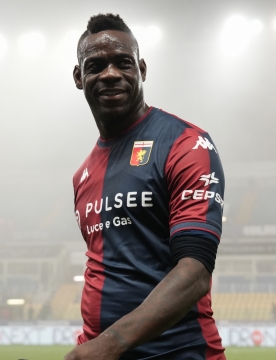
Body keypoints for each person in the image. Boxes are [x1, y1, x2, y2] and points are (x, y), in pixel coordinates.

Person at [65, 13, 225, 360]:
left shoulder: (185, 144)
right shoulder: (83, 176)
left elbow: (195, 272)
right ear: (79, 77)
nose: (110, 74)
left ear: (142, 70)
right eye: (95, 65)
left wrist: (108, 345)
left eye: (123, 63)